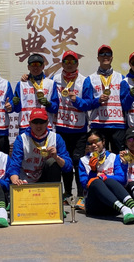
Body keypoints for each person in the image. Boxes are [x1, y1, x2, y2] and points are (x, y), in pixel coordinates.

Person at [78, 130, 134, 224]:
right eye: (90, 143)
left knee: (108, 180)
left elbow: (122, 179)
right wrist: (93, 171)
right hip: (95, 206)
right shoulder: (83, 161)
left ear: (103, 141)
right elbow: (85, 185)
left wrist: (104, 176)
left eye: (96, 141)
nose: (93, 145)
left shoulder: (113, 157)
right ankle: (124, 209)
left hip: (114, 206)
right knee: (96, 181)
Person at [51, 50, 88, 201]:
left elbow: (89, 103)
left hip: (79, 128)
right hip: (61, 127)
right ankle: (67, 192)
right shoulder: (55, 79)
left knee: (78, 161)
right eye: (66, 61)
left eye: (73, 61)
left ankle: (80, 193)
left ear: (77, 63)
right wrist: (26, 77)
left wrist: (76, 100)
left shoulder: (84, 80)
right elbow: (44, 90)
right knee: (64, 161)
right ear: (62, 64)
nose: (69, 64)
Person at [79, 45, 128, 153]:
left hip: (118, 124)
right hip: (98, 124)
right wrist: (97, 101)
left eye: (108, 54)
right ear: (98, 58)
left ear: (112, 57)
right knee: (97, 156)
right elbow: (86, 104)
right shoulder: (90, 79)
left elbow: (125, 103)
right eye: (102, 54)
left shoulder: (121, 78)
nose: (105, 56)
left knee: (119, 156)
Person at [8, 108, 72, 185]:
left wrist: (56, 157)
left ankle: (54, 190)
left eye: (42, 122)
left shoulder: (56, 138)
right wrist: (15, 181)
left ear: (47, 123)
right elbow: (15, 165)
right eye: (35, 122)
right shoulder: (21, 139)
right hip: (25, 180)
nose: (38, 126)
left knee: (52, 162)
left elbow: (68, 167)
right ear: (30, 123)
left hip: (45, 179)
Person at [13, 53, 59, 133]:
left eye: (38, 64)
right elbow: (17, 109)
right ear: (28, 67)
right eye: (33, 64)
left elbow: (55, 108)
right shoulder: (21, 84)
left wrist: (49, 104)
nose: (35, 67)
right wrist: (15, 103)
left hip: (45, 126)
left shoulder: (50, 83)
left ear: (43, 66)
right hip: (26, 125)